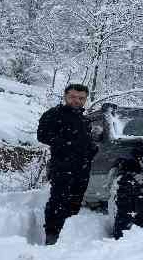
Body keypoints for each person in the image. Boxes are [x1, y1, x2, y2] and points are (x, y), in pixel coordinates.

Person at [37, 84, 98, 245]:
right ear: (65, 96)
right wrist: (66, 144)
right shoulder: (54, 114)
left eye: (81, 98)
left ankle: (67, 234)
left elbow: (88, 141)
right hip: (62, 166)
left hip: (83, 168)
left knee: (75, 201)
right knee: (58, 200)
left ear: (85, 100)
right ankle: (52, 235)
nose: (77, 100)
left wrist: (92, 149)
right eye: (73, 97)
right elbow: (42, 135)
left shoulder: (85, 119)